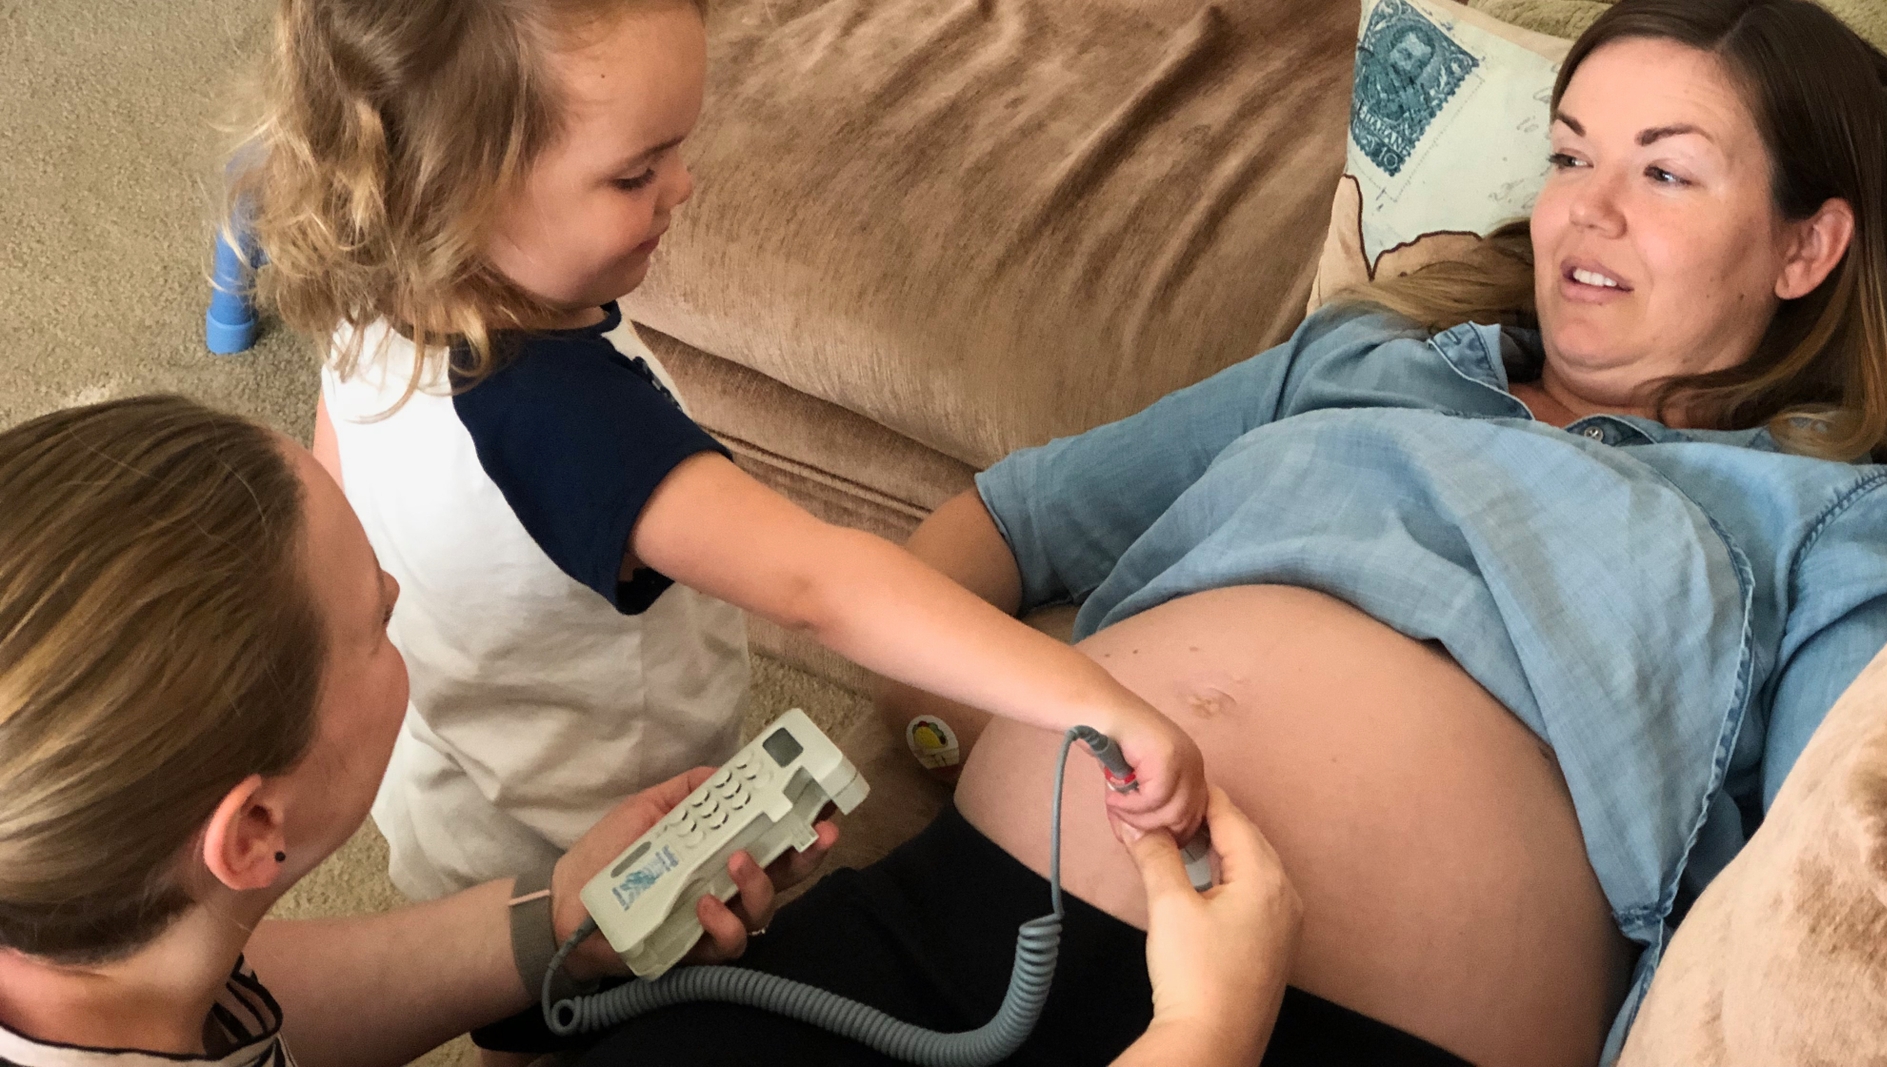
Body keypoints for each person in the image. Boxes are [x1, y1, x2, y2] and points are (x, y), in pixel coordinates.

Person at [842, 1, 1887, 1066]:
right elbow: (1005, 522)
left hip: (1348, 1030)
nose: (1587, 212)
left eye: (1665, 173)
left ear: (1805, 246)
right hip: (962, 927)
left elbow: (1824, 890)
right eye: (1569, 156)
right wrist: (960, 737)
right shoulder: (1362, 360)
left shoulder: (1836, 518)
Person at [227, 0, 1205, 924]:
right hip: (598, 821)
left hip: (449, 772)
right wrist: (1092, 697)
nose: (682, 187)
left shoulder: (377, 270)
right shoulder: (578, 423)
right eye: (635, 174)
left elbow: (337, 486)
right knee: (570, 1004)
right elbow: (820, 586)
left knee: (507, 989)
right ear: (448, 189)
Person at [0, 396, 1300, 1067]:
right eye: (378, 614)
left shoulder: (90, 941)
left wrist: (559, 911)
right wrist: (1205, 1030)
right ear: (255, 829)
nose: (402, 590)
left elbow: (268, 999)